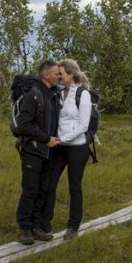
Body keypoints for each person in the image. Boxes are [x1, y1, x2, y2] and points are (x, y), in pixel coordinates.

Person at [12, 60, 61, 245]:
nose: (59, 75)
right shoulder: (33, 95)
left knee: (43, 190)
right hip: (33, 151)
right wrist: (45, 139)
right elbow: (23, 125)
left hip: (49, 152)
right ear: (46, 75)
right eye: (56, 73)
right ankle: (25, 229)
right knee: (30, 190)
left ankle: (36, 226)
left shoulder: (53, 95)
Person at [43, 58, 93, 240]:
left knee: (74, 187)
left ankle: (73, 226)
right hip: (59, 146)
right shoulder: (58, 92)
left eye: (61, 74)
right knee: (49, 183)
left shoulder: (83, 95)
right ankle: (45, 223)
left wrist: (62, 139)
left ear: (71, 75)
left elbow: (83, 126)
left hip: (77, 148)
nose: (58, 76)